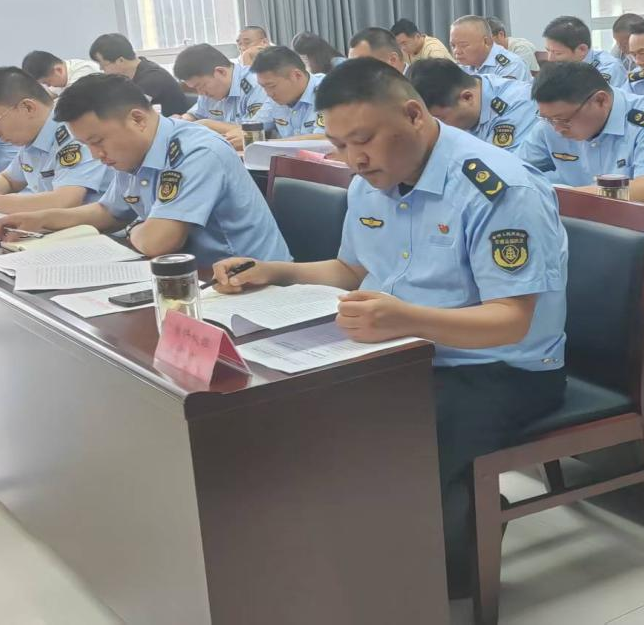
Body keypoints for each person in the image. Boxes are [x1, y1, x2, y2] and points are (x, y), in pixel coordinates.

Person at [209, 58, 567, 597]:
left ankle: (436, 578)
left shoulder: (498, 189)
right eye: (339, 144)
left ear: (414, 114)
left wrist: (404, 318)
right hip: (400, 349)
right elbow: (351, 269)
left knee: (396, 437)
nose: (354, 158)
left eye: (364, 140)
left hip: (500, 366)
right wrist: (275, 271)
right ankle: (338, 559)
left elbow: (512, 322)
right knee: (293, 412)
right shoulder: (371, 180)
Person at [0, 74, 290, 268]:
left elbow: (159, 241)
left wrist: (134, 228)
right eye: (86, 145)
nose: (95, 154)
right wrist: (42, 220)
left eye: (98, 141)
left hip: (252, 281)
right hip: (195, 276)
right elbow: (109, 212)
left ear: (137, 119)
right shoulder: (132, 152)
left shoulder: (197, 151)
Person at [520, 61, 644, 203]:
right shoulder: (550, 122)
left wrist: (569, 197)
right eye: (548, 119)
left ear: (601, 100)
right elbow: (518, 171)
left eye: (564, 120)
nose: (557, 129)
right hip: (581, 219)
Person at [0, 67, 110, 214]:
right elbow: (8, 180)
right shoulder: (32, 137)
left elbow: (65, 201)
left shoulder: (73, 132)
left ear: (28, 108)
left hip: (100, 233)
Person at [408, 57, 536, 152]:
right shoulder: (470, 88)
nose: (435, 126)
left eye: (439, 119)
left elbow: (502, 171)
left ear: (467, 98)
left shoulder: (517, 105)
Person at [172, 44, 272, 147]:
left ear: (221, 71)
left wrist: (208, 125)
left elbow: (255, 132)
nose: (201, 93)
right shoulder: (208, 91)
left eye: (201, 86)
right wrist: (184, 120)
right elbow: (196, 115)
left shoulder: (257, 83)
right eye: (195, 88)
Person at [88, 33, 192, 116]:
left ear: (120, 60)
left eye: (103, 64)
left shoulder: (153, 78)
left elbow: (125, 112)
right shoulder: (132, 73)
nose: (101, 69)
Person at [250, 46, 327, 139]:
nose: (269, 94)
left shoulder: (329, 89)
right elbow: (252, 128)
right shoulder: (275, 99)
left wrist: (271, 144)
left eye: (272, 86)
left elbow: (324, 138)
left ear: (297, 75)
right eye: (263, 87)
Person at [542, 15, 630, 90]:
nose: (550, 59)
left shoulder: (608, 68)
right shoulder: (560, 67)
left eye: (558, 53)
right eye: (548, 51)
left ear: (582, 49)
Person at [449, 15, 532, 84]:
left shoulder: (511, 65)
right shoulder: (462, 65)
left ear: (486, 42)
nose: (456, 51)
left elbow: (507, 97)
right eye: (453, 45)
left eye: (463, 45)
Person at [21, 51, 100, 95]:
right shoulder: (58, 75)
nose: (48, 86)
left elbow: (70, 101)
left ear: (58, 70)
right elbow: (48, 95)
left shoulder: (85, 70)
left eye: (47, 82)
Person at [390, 18, 454, 64]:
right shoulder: (406, 51)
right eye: (399, 45)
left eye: (404, 43)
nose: (402, 48)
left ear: (417, 36)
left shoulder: (434, 50)